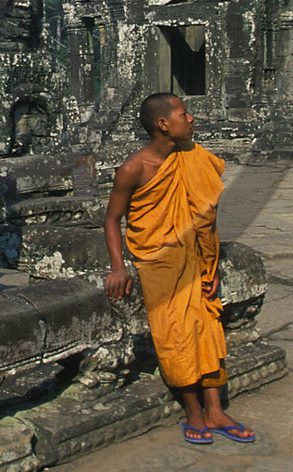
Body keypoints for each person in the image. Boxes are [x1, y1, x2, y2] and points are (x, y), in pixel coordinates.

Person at [104, 93, 256, 445]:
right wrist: (118, 267)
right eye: (184, 114)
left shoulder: (193, 156)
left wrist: (211, 264)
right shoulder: (134, 168)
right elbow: (112, 220)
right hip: (159, 263)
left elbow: (206, 217)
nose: (191, 119)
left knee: (208, 327)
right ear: (162, 124)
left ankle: (216, 410)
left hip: (197, 260)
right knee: (176, 334)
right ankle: (193, 412)